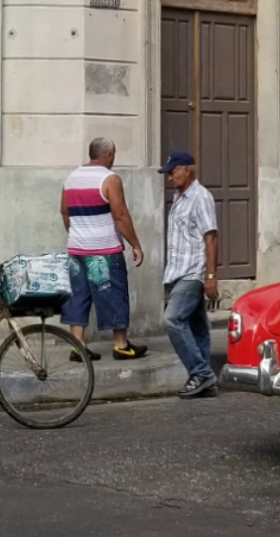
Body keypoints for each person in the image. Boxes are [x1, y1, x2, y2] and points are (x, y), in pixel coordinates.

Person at [58, 136, 146, 363]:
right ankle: (121, 345)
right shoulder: (109, 179)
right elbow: (120, 215)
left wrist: (77, 233)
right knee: (114, 293)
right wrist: (135, 244)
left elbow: (65, 212)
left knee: (78, 295)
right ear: (108, 155)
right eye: (113, 155)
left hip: (77, 250)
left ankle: (78, 345)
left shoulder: (71, 178)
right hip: (104, 250)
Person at [161, 151, 223, 398]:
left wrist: (210, 276)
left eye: (173, 172)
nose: (169, 178)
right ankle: (206, 381)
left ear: (187, 170)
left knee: (173, 320)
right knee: (197, 327)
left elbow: (211, 237)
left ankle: (201, 373)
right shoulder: (179, 197)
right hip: (177, 271)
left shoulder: (200, 197)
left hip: (192, 272)